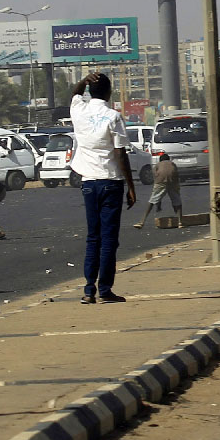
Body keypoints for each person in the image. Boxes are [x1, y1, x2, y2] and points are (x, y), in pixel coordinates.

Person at [71, 71, 137, 304]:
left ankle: (89, 290)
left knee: (93, 237)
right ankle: (105, 288)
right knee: (109, 239)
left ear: (90, 90)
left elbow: (75, 93)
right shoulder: (113, 116)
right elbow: (120, 153)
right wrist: (131, 186)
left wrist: (83, 82)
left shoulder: (79, 110)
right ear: (109, 93)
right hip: (110, 181)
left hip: (88, 181)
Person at [133, 152, 183, 229]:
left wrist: (158, 205)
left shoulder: (158, 165)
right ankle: (180, 222)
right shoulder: (172, 164)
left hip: (160, 181)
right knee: (177, 201)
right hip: (172, 182)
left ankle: (142, 222)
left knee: (152, 200)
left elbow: (155, 176)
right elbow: (176, 174)